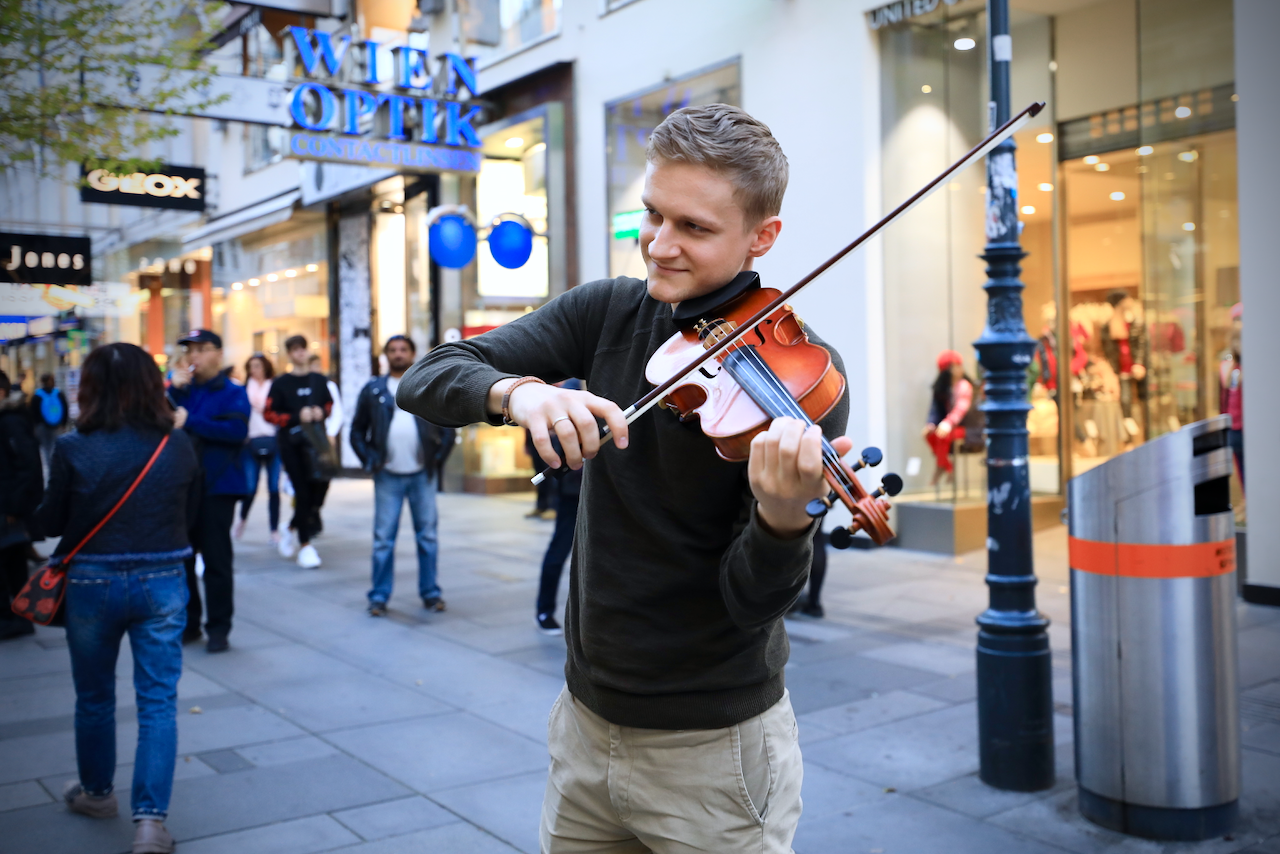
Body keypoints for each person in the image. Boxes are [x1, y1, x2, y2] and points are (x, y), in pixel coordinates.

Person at [399, 104, 846, 853]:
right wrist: (520, 391)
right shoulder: (607, 311)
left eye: (694, 228)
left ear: (761, 237)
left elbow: (755, 602)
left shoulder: (797, 382)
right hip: (584, 726)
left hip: (715, 756)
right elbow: (430, 374)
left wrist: (781, 521)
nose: (659, 245)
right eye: (651, 214)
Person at [33, 342, 200, 854]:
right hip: (163, 577)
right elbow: (189, 512)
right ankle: (150, 824)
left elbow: (50, 522)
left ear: (90, 388)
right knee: (157, 702)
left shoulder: (72, 447)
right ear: (154, 385)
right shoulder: (177, 445)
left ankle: (97, 793)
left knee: (94, 696)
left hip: (91, 582)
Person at [350, 335, 455, 615]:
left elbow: (448, 426)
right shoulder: (373, 390)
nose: (398, 354)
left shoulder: (426, 385)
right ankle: (379, 597)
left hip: (422, 474)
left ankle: (431, 593)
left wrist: (437, 461)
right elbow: (356, 431)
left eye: (403, 350)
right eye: (393, 350)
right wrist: (370, 460)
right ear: (385, 355)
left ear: (412, 353)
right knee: (383, 539)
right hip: (388, 475)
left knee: (427, 537)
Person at [169, 329, 251, 653]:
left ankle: (219, 628)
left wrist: (192, 420)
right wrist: (169, 391)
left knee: (217, 561)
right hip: (183, 486)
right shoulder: (181, 391)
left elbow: (236, 431)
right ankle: (189, 622)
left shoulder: (232, 392)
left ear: (218, 353)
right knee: (183, 559)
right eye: (190, 350)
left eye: (201, 349)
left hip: (218, 487)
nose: (194, 356)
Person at [265, 335, 332, 569]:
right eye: (294, 349)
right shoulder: (281, 383)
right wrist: (296, 417)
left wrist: (320, 413)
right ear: (289, 354)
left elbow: (330, 405)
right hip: (291, 445)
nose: (300, 353)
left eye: (302, 348)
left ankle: (291, 526)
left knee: (320, 489)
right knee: (302, 492)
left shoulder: (319, 380)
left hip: (316, 443)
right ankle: (305, 544)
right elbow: (269, 413)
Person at [534, 380, 583, 634]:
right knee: (559, 551)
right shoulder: (570, 390)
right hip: (571, 494)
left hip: (597, 493)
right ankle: (544, 609)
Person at [0, 370, 42, 641]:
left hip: (8, 509)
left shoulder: (10, 422)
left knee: (10, 564)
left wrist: (15, 508)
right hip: (7, 506)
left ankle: (13, 618)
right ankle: (18, 616)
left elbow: (28, 466)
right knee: (12, 563)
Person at [235, 353, 282, 543]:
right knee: (250, 487)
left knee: (273, 488)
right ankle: (242, 519)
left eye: (258, 366)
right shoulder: (244, 389)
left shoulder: (275, 387)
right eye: (251, 366)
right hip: (250, 441)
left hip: (273, 439)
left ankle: (274, 529)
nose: (255, 370)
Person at [923, 349, 974, 486]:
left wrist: (948, 423)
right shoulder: (943, 390)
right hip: (949, 426)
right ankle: (946, 465)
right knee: (930, 435)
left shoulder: (965, 386)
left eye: (959, 366)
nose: (959, 369)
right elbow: (935, 411)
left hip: (968, 429)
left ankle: (941, 468)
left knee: (942, 436)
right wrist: (931, 424)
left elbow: (961, 409)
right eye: (954, 367)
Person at [30, 372, 69, 479]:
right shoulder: (59, 393)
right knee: (56, 447)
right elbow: (65, 408)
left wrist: (35, 425)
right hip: (57, 426)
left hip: (41, 426)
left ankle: (50, 468)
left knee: (46, 448)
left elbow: (32, 411)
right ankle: (56, 468)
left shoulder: (37, 395)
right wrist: (64, 423)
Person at [309, 353, 345, 453]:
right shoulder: (304, 387)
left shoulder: (329, 386)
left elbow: (338, 412)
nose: (315, 369)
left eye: (317, 365)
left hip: (325, 433)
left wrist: (331, 433)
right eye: (312, 366)